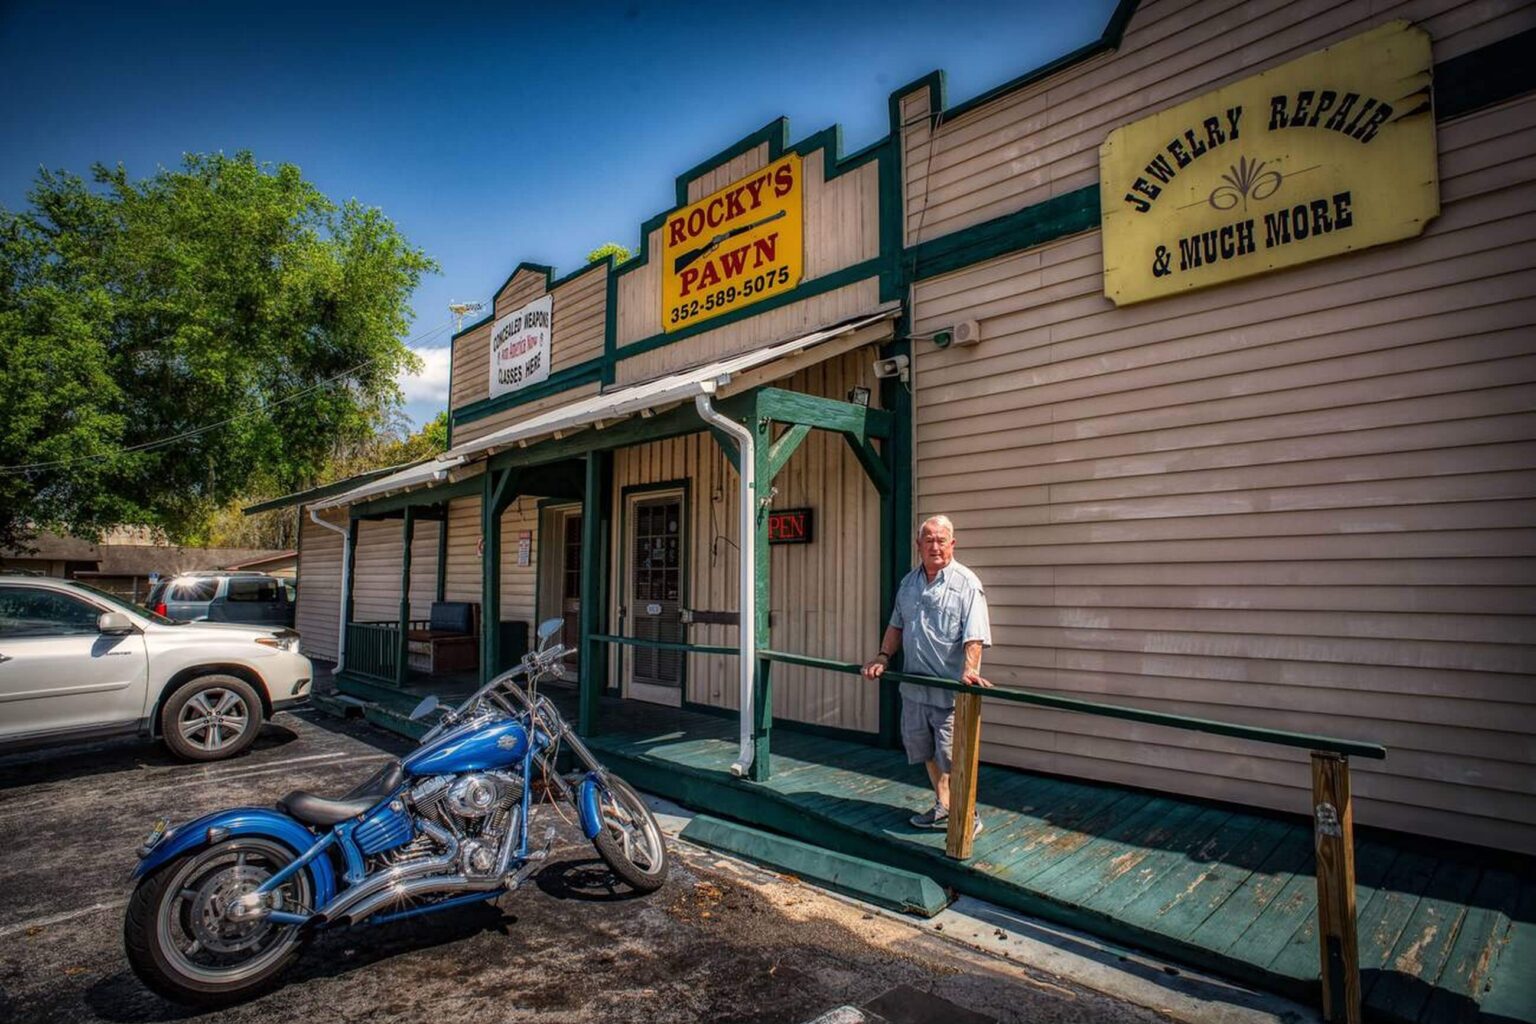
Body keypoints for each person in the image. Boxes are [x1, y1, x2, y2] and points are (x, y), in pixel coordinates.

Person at [862, 514, 992, 834]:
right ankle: (944, 805)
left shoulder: (967, 583)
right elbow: (897, 625)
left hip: (949, 691)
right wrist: (883, 656)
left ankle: (968, 816)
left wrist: (970, 671)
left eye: (941, 540)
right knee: (924, 751)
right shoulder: (909, 583)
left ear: (952, 544)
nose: (935, 546)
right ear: (918, 545)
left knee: (952, 756)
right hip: (914, 688)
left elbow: (974, 635)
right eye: (929, 540)